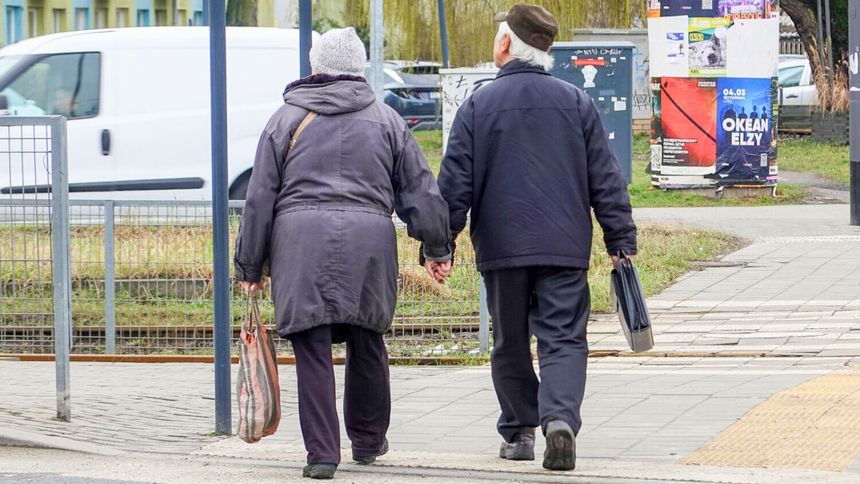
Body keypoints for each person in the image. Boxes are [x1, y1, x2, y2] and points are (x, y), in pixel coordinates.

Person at [234, 27, 452, 480]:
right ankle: (368, 441)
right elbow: (419, 189)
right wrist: (436, 246)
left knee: (312, 348)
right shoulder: (387, 120)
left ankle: (322, 455)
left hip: (300, 245)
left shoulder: (284, 120)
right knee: (367, 339)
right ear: (358, 66)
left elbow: (259, 199)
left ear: (316, 66)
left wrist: (250, 265)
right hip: (369, 244)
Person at [436, 3, 637, 472]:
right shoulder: (576, 102)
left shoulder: (478, 105)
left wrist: (440, 243)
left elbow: (454, 184)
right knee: (564, 337)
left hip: (502, 250)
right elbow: (606, 179)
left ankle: (520, 431)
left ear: (505, 44)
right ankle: (560, 420)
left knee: (509, 339)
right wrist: (619, 239)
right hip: (564, 246)